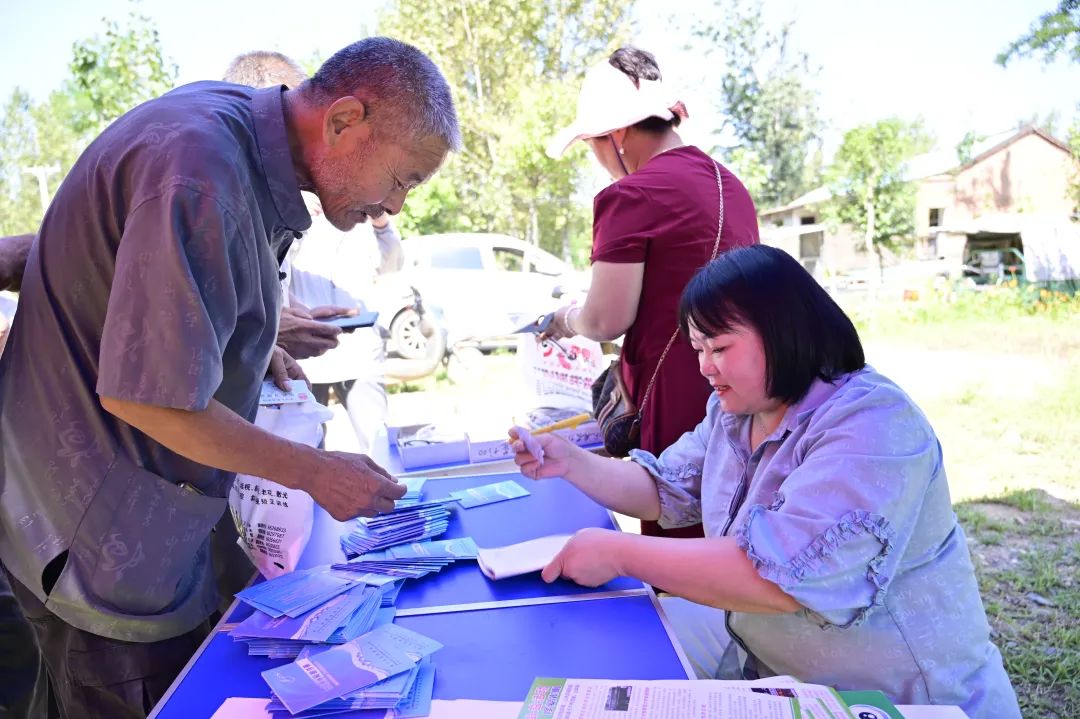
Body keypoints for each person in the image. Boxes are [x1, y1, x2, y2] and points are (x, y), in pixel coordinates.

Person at [0, 36, 460, 719]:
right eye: (402, 181)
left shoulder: (231, 134)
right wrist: (313, 469)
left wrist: (254, 330)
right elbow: (149, 398)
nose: (393, 208)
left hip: (141, 523)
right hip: (95, 541)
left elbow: (155, 274)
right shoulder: (201, 167)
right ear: (342, 121)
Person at [510, 245, 1021, 719]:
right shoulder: (735, 411)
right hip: (776, 669)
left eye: (720, 347)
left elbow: (779, 578)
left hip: (900, 696)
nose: (706, 367)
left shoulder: (872, 422)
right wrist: (572, 462)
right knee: (608, 647)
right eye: (697, 348)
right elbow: (664, 492)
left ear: (784, 331)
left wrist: (619, 553)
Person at [542, 47, 759, 540]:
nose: (596, 158)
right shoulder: (732, 186)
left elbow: (605, 320)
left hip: (676, 402)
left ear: (616, 134)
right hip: (743, 392)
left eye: (592, 143)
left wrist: (565, 317)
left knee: (676, 538)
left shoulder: (631, 195)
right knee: (734, 530)